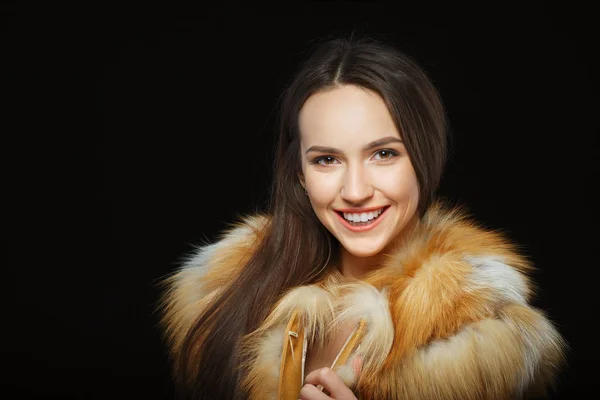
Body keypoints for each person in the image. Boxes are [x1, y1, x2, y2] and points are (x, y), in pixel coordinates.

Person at [158, 35, 566, 400]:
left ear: (424, 158)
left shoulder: (484, 343)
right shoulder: (218, 298)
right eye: (327, 159)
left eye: (384, 154)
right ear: (300, 174)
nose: (355, 191)